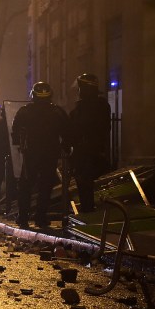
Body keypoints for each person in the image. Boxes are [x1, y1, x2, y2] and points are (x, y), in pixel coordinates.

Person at [11, 81, 70, 228]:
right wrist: (65, 148)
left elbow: (15, 132)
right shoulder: (58, 112)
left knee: (26, 186)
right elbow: (68, 133)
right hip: (50, 155)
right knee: (46, 187)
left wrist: (20, 145)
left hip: (31, 154)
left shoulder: (24, 111)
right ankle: (40, 217)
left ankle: (23, 217)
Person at [69, 73, 112, 213]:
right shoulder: (102, 105)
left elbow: (78, 127)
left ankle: (88, 210)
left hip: (86, 151)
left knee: (84, 183)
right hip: (94, 150)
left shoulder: (85, 108)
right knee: (86, 182)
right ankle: (89, 209)